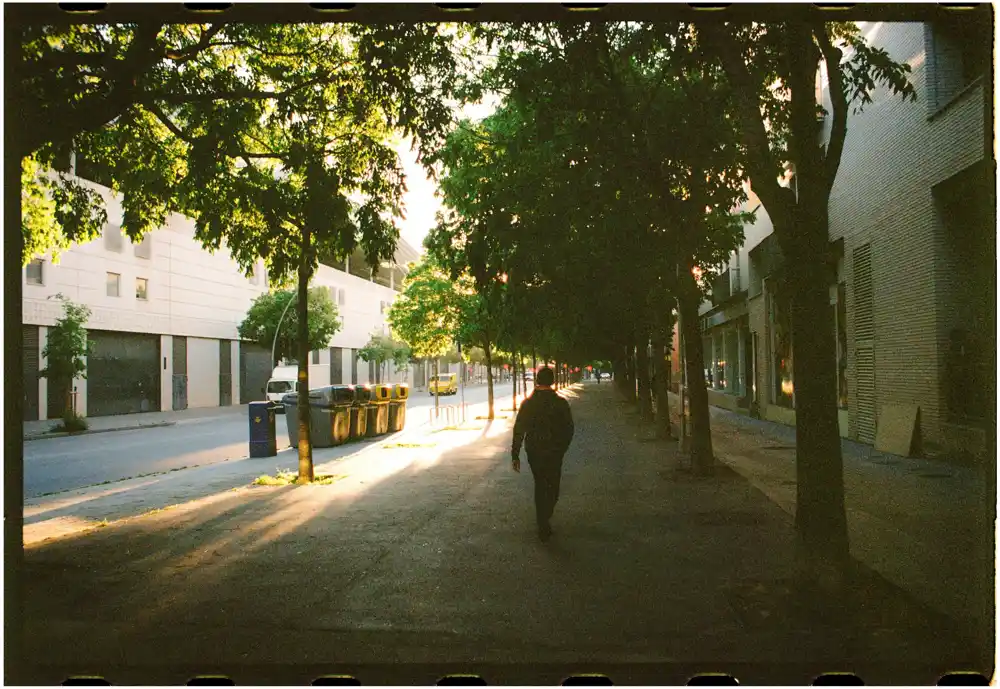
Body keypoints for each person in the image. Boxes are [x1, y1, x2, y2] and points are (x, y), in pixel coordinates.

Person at [511, 366, 575, 542]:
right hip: (555, 451)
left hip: (534, 450)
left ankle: (542, 521)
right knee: (553, 485)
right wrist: (562, 448)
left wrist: (515, 454)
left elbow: (519, 430)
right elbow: (569, 429)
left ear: (537, 381)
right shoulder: (560, 403)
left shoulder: (528, 404)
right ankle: (545, 516)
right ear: (552, 381)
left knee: (540, 484)